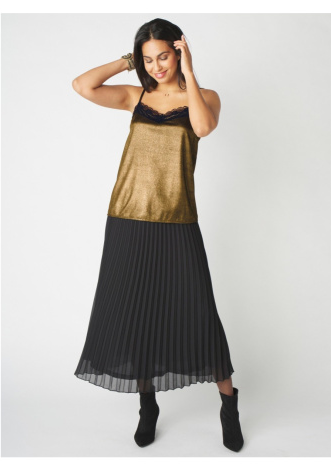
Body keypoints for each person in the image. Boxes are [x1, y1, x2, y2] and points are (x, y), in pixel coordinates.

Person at [72, 18, 244, 452]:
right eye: (149, 59)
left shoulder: (204, 97)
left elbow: (202, 128)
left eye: (163, 56)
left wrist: (189, 71)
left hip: (177, 219)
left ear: (179, 51)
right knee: (137, 312)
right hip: (127, 218)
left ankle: (229, 406)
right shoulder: (136, 96)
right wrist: (129, 61)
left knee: (199, 312)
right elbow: (82, 85)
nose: (157, 66)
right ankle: (147, 406)